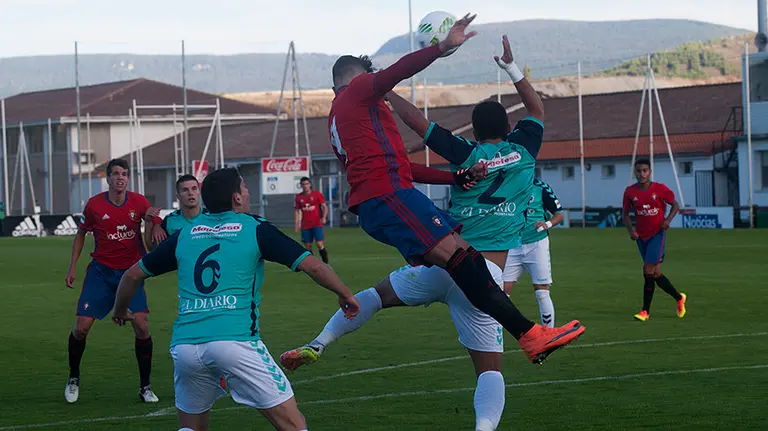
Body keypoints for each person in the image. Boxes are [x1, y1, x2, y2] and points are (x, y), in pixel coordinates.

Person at [331, 25, 584, 362]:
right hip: (480, 268)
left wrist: (391, 95)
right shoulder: (524, 150)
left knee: (378, 296)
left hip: (439, 262)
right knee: (491, 365)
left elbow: (417, 124)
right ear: (510, 128)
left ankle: (318, 342)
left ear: (475, 131)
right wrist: (508, 67)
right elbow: (537, 110)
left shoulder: (465, 154)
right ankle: (532, 334)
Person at [110, 167, 360, 431]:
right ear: (237, 197)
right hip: (235, 342)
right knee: (294, 426)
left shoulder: (185, 234)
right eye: (244, 187)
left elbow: (132, 275)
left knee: (191, 427)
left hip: (186, 347)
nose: (248, 192)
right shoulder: (255, 228)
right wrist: (345, 294)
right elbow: (315, 267)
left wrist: (119, 310)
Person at [63, 158, 163, 404]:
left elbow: (151, 238)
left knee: (142, 327)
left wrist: (152, 221)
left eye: (124, 174)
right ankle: (73, 378)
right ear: (107, 178)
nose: (120, 178)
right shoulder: (94, 205)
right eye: (116, 173)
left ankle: (145, 387)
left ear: (128, 179)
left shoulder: (140, 202)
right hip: (101, 273)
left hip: (131, 274)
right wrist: (73, 266)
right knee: (81, 328)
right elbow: (81, 234)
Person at [622, 159, 687, 322]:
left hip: (657, 234)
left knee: (647, 269)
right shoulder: (630, 192)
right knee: (656, 273)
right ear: (635, 172)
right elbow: (625, 214)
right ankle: (679, 297)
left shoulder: (660, 189)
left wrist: (668, 220)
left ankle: (645, 311)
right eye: (639, 171)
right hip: (641, 236)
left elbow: (675, 205)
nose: (642, 174)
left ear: (650, 172)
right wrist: (631, 230)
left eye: (645, 170)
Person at [502, 179, 566, 327]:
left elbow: (559, 214)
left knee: (542, 291)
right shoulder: (504, 184)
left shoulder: (540, 187)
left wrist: (547, 224)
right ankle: (495, 335)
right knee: (501, 293)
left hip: (537, 244)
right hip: (512, 244)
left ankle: (549, 334)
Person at [147, 174, 206, 249]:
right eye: (185, 190)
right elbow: (152, 248)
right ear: (178, 196)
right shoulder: (169, 221)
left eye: (194, 188)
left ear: (199, 192)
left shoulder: (211, 216)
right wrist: (151, 223)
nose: (190, 193)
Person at [294, 177, 329, 263]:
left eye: (306, 184)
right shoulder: (298, 197)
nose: (305, 186)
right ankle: (313, 264)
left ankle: (325, 263)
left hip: (316, 223)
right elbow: (297, 211)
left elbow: (324, 206)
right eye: (303, 184)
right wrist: (296, 224)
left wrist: (324, 217)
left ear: (310, 184)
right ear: (301, 185)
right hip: (305, 225)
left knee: (319, 244)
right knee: (308, 246)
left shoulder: (317, 194)